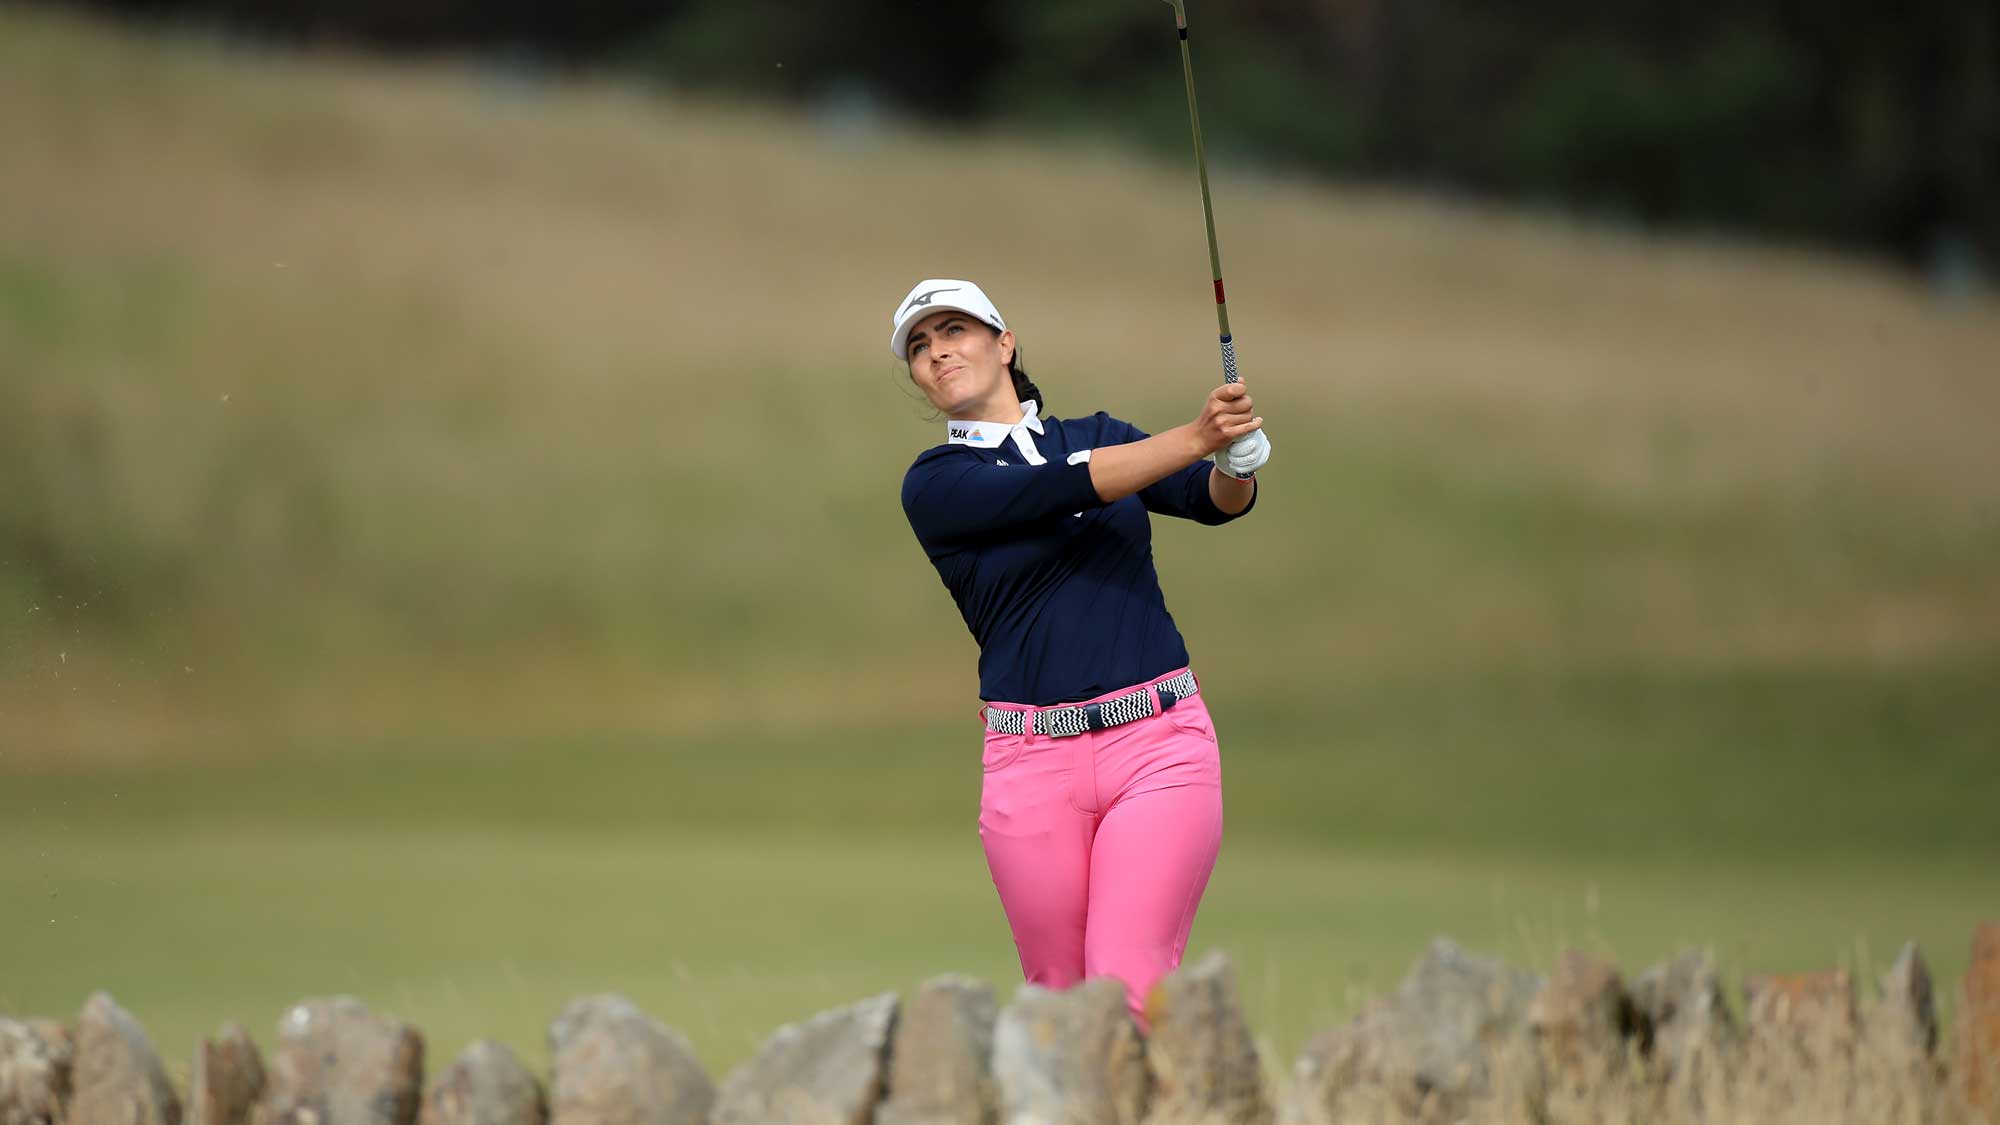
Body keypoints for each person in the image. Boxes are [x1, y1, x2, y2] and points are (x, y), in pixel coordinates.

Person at [892, 278, 1270, 1028]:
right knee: (1059, 1013)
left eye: (955, 331)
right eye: (919, 346)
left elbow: (1212, 501)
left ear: (1004, 345)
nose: (938, 352)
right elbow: (1058, 488)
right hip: (1029, 768)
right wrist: (1194, 438)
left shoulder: (1098, 431)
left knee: (1127, 989)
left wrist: (1234, 463)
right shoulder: (935, 484)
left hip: (1159, 746)